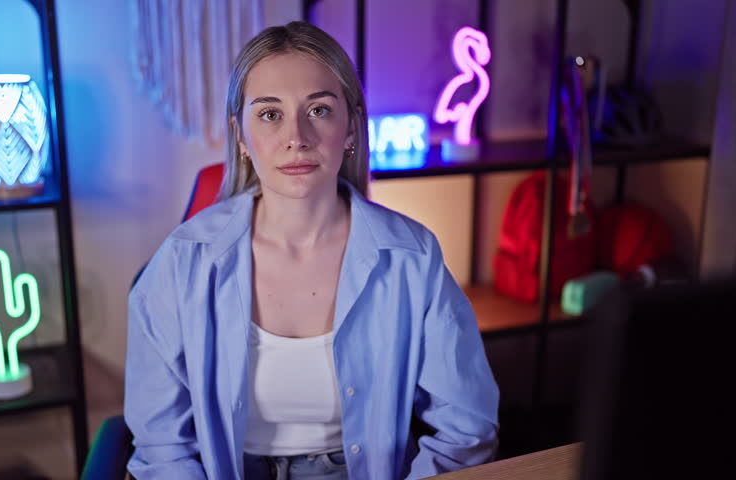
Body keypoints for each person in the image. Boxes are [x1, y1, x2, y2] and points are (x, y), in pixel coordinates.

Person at [124, 21, 499, 480]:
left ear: (351, 127)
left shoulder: (412, 257)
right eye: (269, 114)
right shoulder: (182, 262)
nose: (296, 136)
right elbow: (162, 447)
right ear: (240, 136)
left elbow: (466, 429)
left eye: (318, 109)